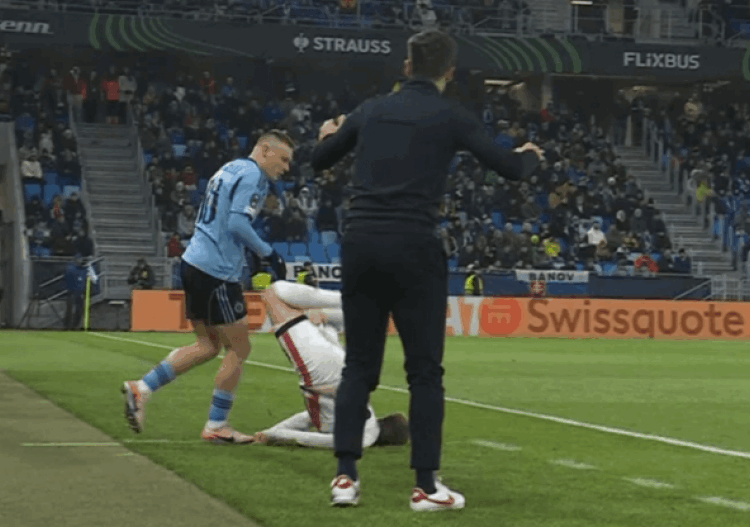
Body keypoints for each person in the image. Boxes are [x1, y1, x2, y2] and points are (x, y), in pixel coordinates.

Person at [310, 29, 543, 511]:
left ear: (406, 66)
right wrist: (529, 157)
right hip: (415, 246)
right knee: (424, 372)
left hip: (362, 243)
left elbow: (320, 159)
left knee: (359, 367)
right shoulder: (450, 115)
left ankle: (345, 478)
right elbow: (510, 169)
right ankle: (426, 486)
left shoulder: (371, 110)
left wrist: (327, 136)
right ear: (449, 72)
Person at [121, 130, 293, 444]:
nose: (286, 168)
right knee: (239, 348)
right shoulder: (254, 176)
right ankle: (216, 425)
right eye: (283, 159)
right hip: (217, 272)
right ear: (265, 150)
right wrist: (268, 253)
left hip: (193, 262)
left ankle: (141, 388)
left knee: (208, 345)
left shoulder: (229, 168)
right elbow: (237, 223)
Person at [251, 281, 409, 450]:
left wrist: (270, 432)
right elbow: (314, 440)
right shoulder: (363, 438)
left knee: (276, 295)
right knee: (274, 294)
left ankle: (345, 308)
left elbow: (308, 417)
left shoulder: (366, 421)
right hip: (324, 373)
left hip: (336, 369)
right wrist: (275, 436)